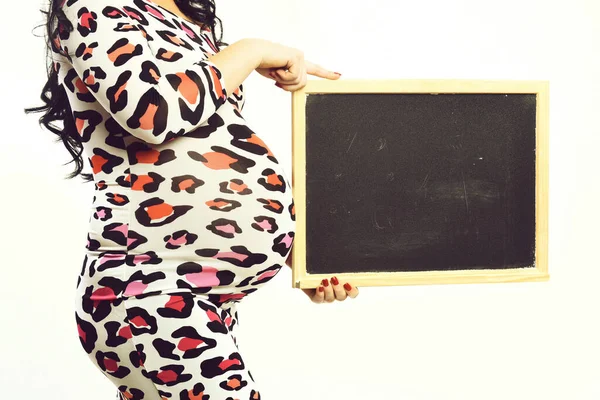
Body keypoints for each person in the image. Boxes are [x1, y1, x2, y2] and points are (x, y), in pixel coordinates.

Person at [24, 0, 360, 398]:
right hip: (146, 289)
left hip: (201, 296)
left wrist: (303, 260)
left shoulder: (185, 18)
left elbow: (208, 151)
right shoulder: (91, 3)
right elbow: (153, 115)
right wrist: (250, 51)